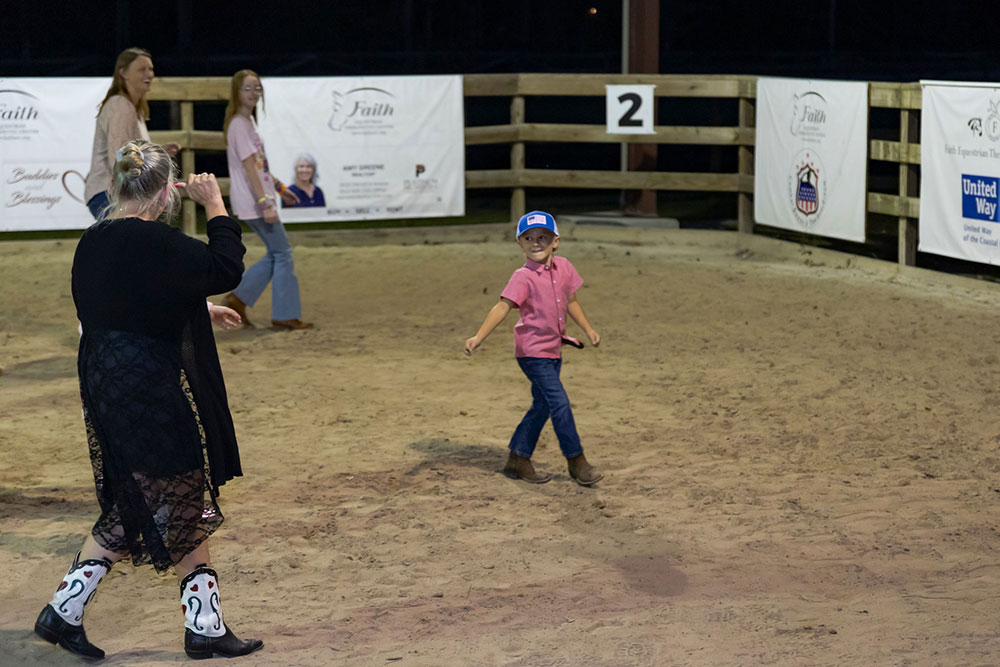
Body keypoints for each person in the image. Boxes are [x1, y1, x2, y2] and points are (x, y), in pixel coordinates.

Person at [35, 139, 263, 661]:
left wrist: (200, 309)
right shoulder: (159, 241)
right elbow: (226, 268)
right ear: (165, 193)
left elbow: (124, 299)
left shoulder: (94, 239)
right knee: (175, 490)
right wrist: (216, 204)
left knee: (161, 494)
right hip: (143, 382)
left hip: (103, 378)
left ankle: (78, 611)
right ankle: (190, 624)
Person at [464, 211, 604, 486]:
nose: (536, 242)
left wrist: (588, 329)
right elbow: (502, 306)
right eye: (528, 238)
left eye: (543, 237)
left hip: (553, 351)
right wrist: (479, 337)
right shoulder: (522, 276)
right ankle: (576, 461)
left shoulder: (565, 267)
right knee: (559, 403)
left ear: (555, 241)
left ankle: (518, 458)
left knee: (542, 405)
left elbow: (571, 301)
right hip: (531, 353)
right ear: (519, 243)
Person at [220, 69, 313, 330]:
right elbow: (250, 168)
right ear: (237, 92)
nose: (254, 93)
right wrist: (265, 202)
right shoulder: (240, 125)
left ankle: (238, 299)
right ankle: (284, 314)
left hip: (258, 199)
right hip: (255, 202)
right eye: (247, 88)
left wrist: (280, 188)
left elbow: (259, 165)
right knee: (283, 253)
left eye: (257, 88)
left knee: (276, 253)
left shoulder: (247, 122)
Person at [84, 47, 180, 220]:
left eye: (151, 69)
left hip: (113, 193)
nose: (149, 74)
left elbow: (126, 154)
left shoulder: (132, 107)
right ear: (123, 73)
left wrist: (157, 154)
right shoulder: (121, 105)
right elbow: (118, 158)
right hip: (110, 194)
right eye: (142, 69)